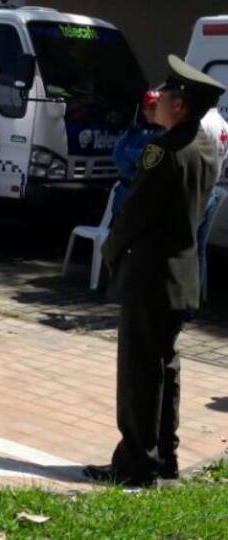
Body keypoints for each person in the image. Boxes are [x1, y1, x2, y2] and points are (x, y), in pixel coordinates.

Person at [84, 56, 225, 489]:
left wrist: (110, 250)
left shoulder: (162, 152)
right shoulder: (203, 149)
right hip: (181, 276)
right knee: (165, 369)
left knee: (138, 375)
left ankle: (135, 464)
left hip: (149, 276)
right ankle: (164, 457)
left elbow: (133, 214)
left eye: (164, 94)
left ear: (179, 105)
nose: (157, 100)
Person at [111, 89, 162, 216]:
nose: (153, 111)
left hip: (143, 195)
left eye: (156, 107)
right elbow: (117, 156)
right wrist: (133, 158)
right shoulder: (134, 130)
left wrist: (129, 153)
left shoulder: (164, 134)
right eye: (150, 107)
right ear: (144, 109)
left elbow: (147, 160)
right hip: (123, 192)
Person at [196, 101, 228, 303]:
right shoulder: (224, 124)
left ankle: (187, 300)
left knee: (187, 244)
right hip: (216, 188)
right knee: (200, 247)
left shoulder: (201, 123)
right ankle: (199, 296)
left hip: (200, 189)